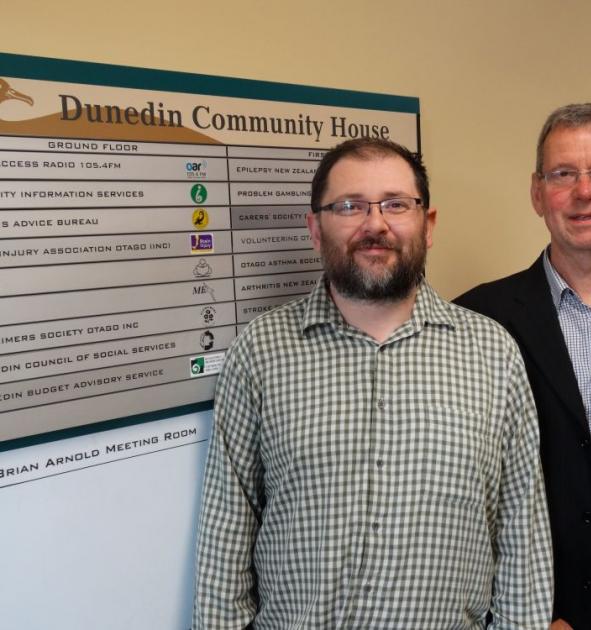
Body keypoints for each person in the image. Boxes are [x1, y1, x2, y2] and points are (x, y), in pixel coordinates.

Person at [194, 137, 552, 629]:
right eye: (350, 206)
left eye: (395, 205)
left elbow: (523, 541)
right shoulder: (260, 352)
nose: (375, 224)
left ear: (428, 227)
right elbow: (225, 538)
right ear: (316, 229)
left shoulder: (493, 354)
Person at [455, 103, 591, 630]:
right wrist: (526, 616)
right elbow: (459, 496)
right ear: (537, 193)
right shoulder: (474, 321)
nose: (584, 192)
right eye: (563, 174)